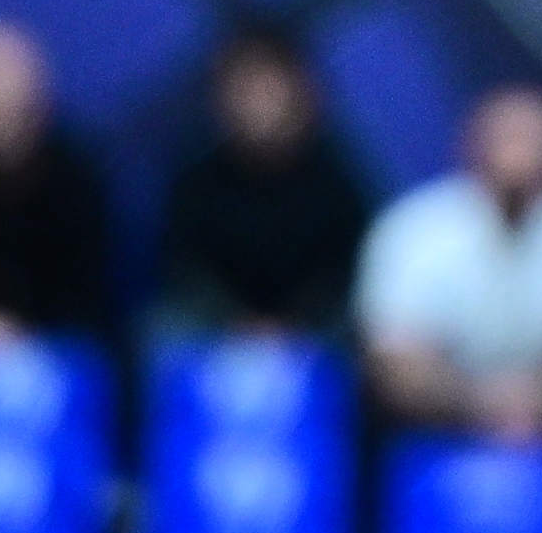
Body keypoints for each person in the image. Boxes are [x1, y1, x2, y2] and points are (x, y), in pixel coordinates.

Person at [355, 83, 542, 443]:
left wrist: (537, 403)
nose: (518, 153)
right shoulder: (413, 228)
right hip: (434, 433)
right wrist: (482, 404)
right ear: (471, 146)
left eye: (531, 139)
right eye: (508, 138)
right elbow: (394, 364)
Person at [154, 23, 376, 334]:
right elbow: (185, 271)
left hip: (314, 329)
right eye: (246, 89)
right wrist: (239, 324)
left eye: (269, 87)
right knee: (165, 327)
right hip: (220, 331)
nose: (259, 103)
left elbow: (349, 272)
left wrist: (291, 325)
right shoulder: (194, 180)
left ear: (302, 92)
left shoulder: (339, 177)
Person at [0, 17, 118, 342]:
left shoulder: (78, 179)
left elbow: (93, 290)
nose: (5, 130)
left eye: (17, 114)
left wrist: (23, 331)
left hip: (59, 343)